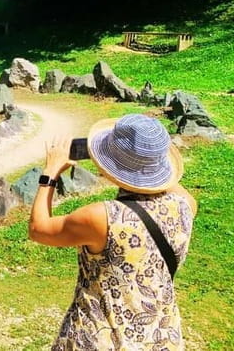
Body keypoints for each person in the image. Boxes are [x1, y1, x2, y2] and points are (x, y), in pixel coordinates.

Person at [28, 114, 197, 350]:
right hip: (160, 337)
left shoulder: (102, 218)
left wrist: (51, 172)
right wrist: (149, 162)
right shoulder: (185, 205)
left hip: (100, 339)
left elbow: (39, 229)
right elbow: (167, 183)